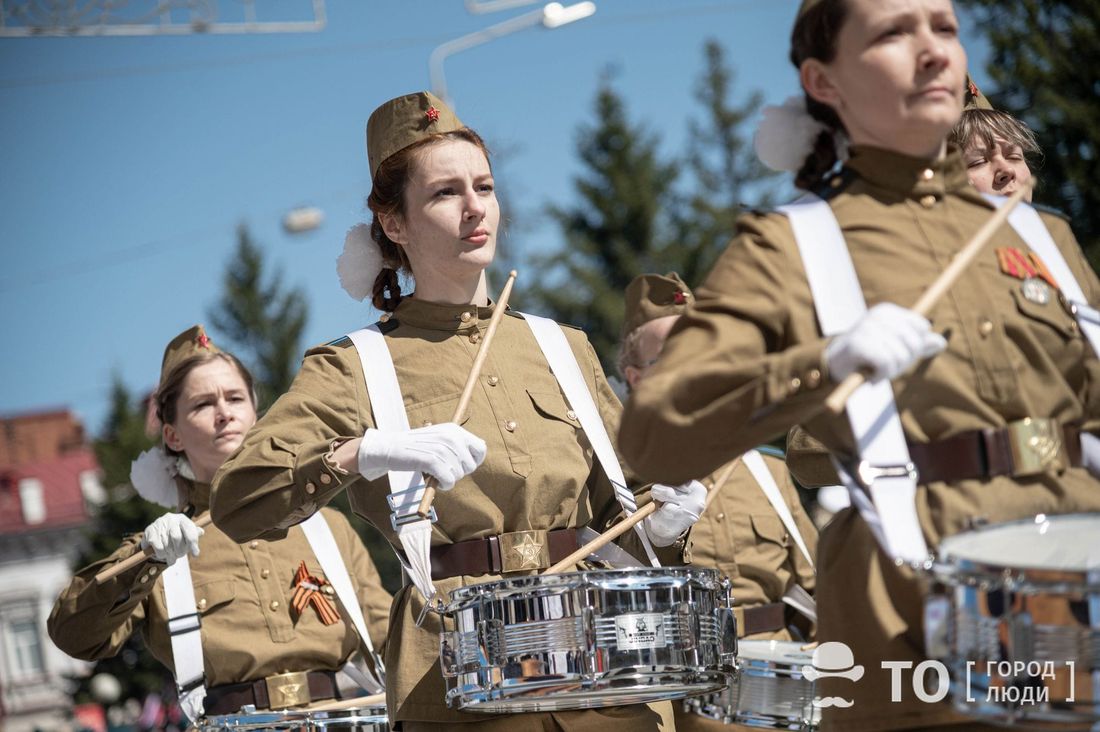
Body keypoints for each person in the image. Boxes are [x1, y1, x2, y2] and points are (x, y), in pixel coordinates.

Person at [618, 0, 1100, 730]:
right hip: (910, 607)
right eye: (893, 32)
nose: (932, 50)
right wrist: (824, 362)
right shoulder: (792, 245)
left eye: (944, 27)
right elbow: (654, 436)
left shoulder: (1045, 237)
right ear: (824, 81)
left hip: (1073, 580)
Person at [209, 91, 703, 732]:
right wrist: (361, 453)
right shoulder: (354, 366)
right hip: (455, 685)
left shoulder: (564, 348)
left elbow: (622, 512)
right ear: (394, 223)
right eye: (446, 193)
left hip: (599, 679)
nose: (475, 207)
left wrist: (662, 527)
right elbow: (240, 500)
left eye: (485, 187)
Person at [49, 326, 392, 721]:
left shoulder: (328, 528)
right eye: (203, 404)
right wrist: (145, 562)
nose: (224, 413)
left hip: (339, 719)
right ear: (173, 436)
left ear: (256, 415)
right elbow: (72, 636)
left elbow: (392, 636)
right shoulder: (158, 549)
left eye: (235, 398)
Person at [620, 272, 818, 732]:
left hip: (782, 687)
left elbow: (815, 584)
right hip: (679, 696)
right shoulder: (616, 479)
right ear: (636, 378)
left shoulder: (768, 470)